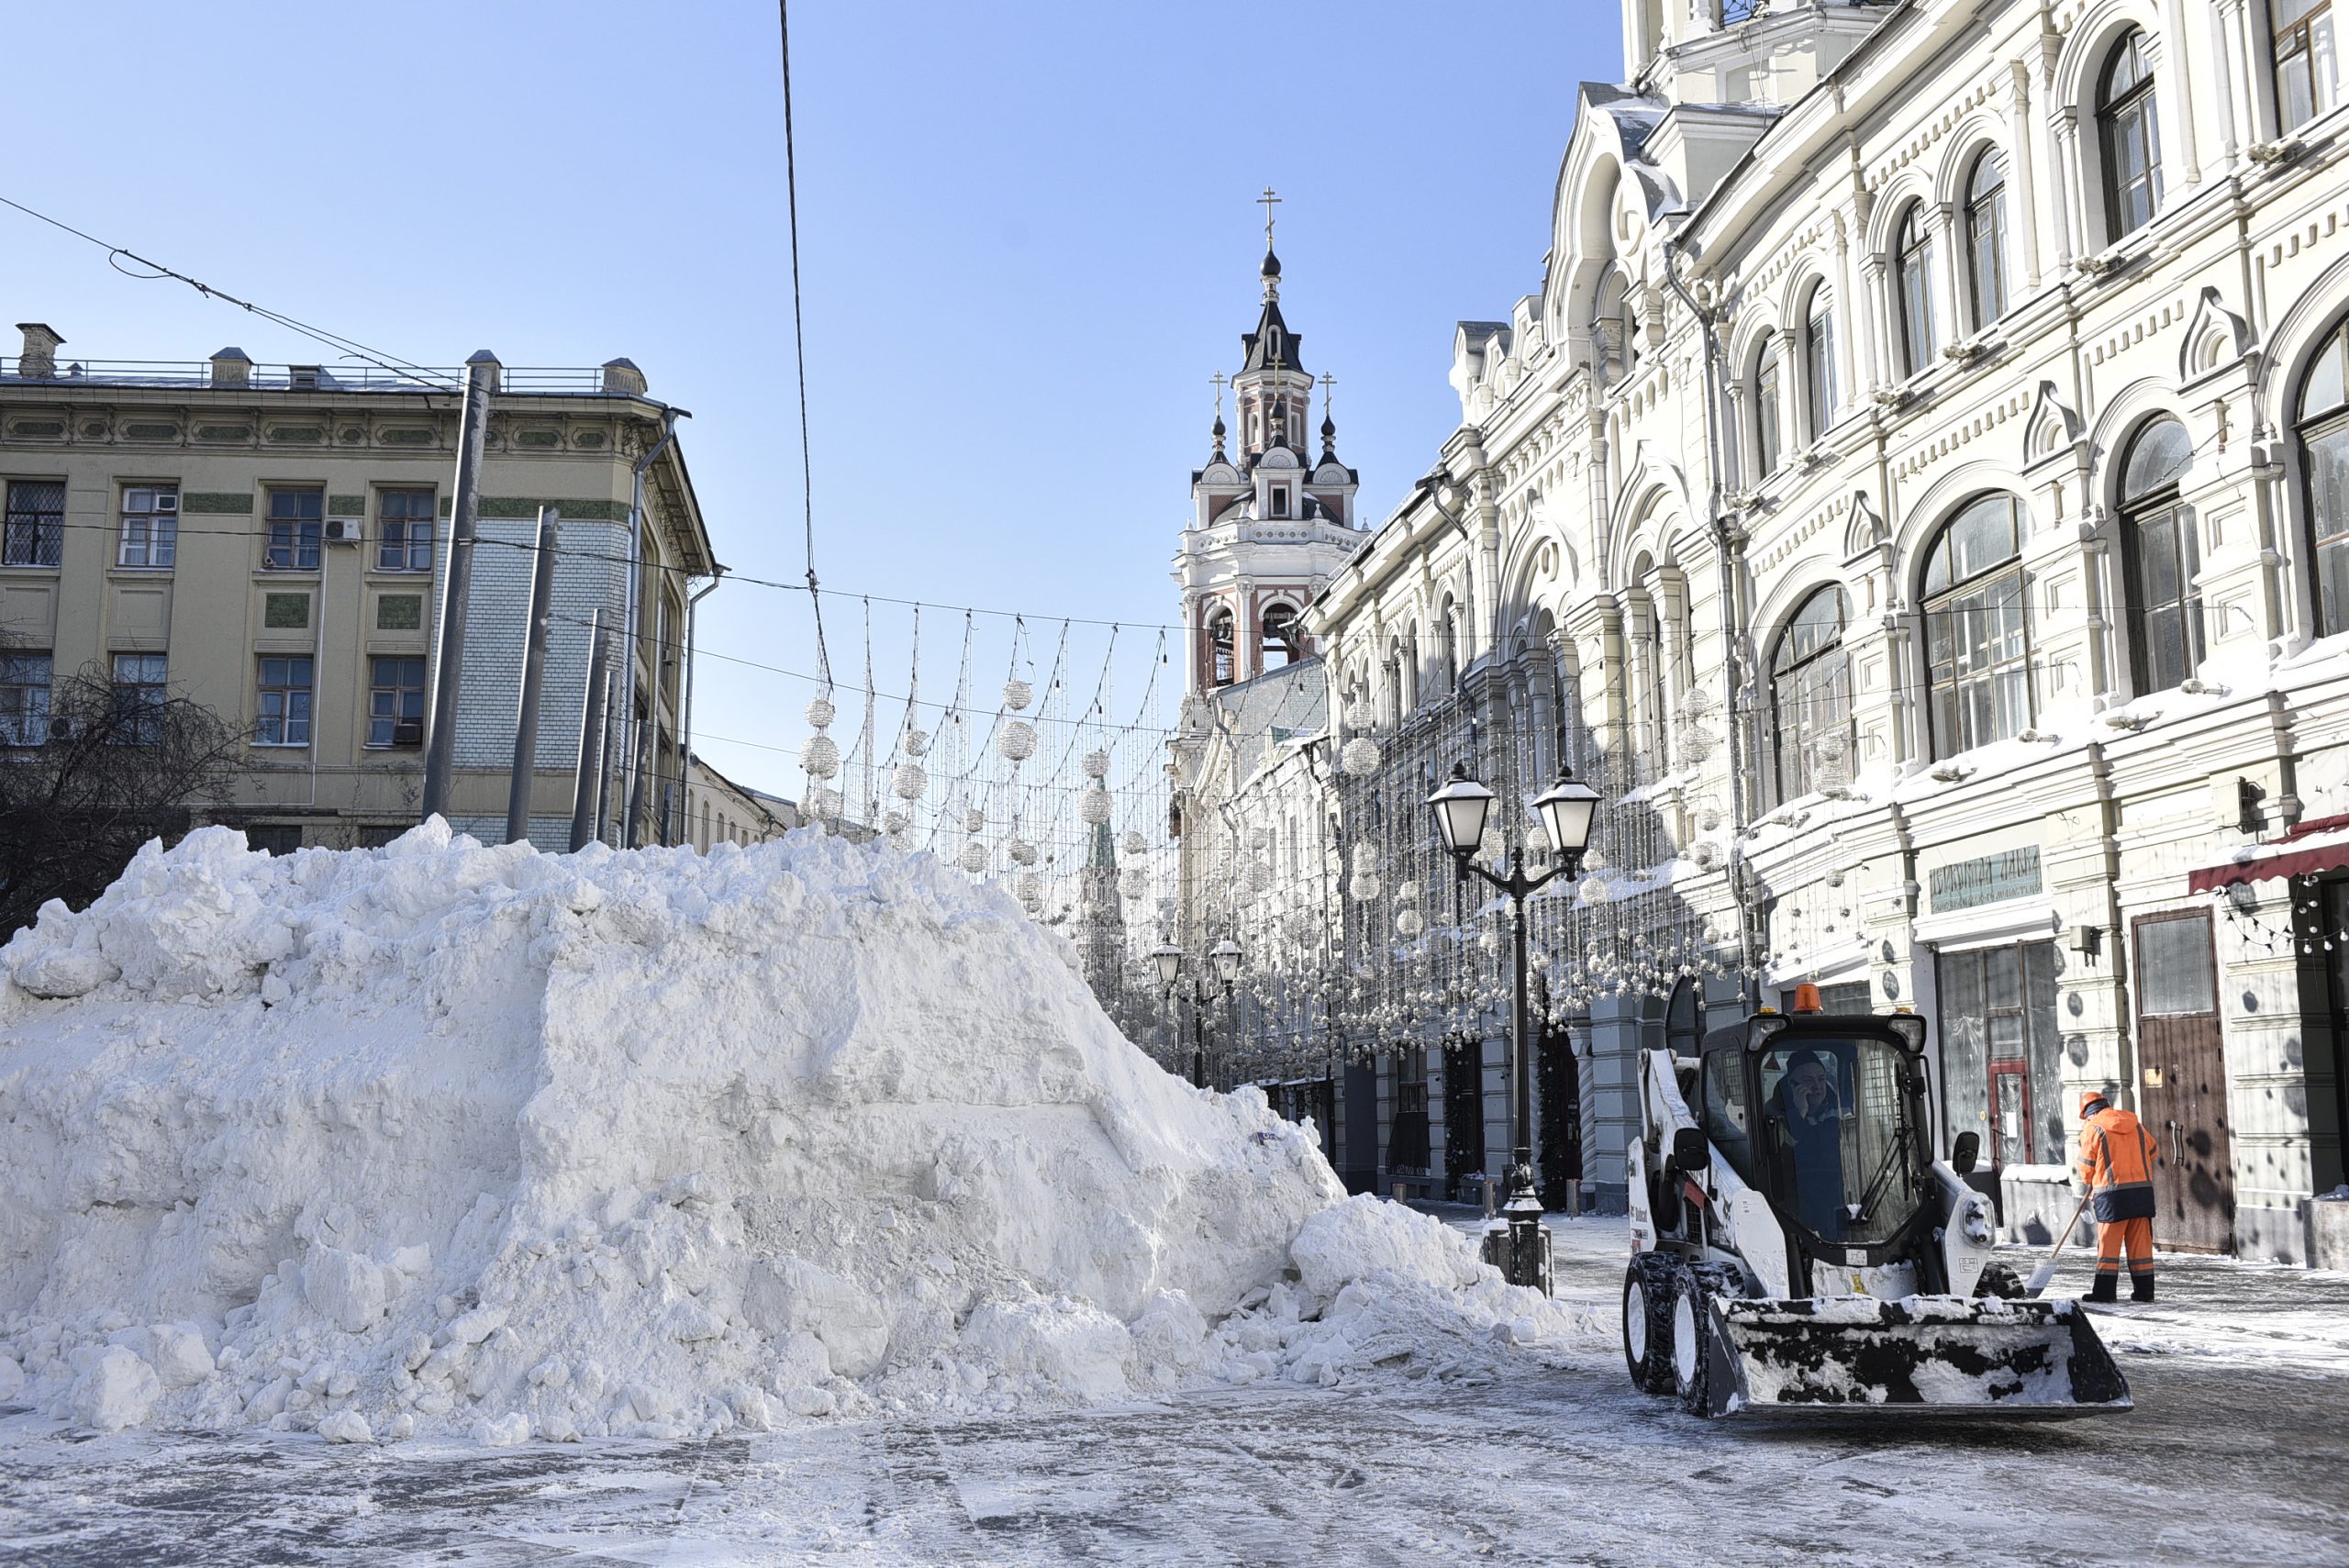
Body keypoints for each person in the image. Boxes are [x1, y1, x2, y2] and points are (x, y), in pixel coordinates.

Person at [2076, 1090, 2158, 1303]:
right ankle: (2144, 1292)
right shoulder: (2136, 1125)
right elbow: (2153, 1150)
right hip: (2142, 1193)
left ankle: (2104, 1293)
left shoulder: (2093, 1129)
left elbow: (2086, 1167)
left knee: (2108, 1248)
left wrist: (2090, 1180)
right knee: (2140, 1248)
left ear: (2088, 1113)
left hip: (2112, 1197)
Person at [1774, 1050, 1844, 1237]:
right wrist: (1799, 1114)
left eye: (1821, 1079)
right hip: (1797, 1202)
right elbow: (1781, 1155)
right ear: (1791, 1085)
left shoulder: (1840, 1110)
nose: (1817, 1087)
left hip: (1841, 1196)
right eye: (1807, 1081)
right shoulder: (1774, 1114)